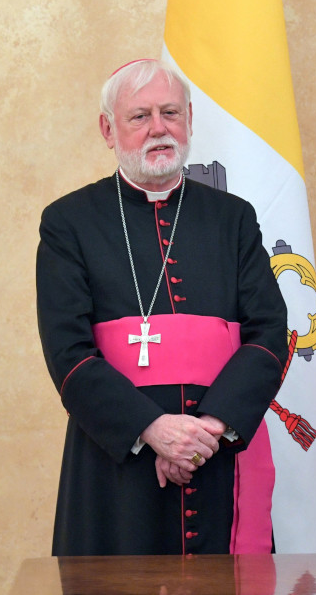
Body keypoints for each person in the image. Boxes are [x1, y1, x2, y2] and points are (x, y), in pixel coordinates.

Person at [37, 59, 289, 555]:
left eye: (170, 113)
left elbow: (269, 333)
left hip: (219, 456)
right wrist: (152, 429)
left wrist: (208, 430)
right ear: (109, 129)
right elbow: (69, 354)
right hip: (117, 465)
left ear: (190, 120)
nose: (159, 128)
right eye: (140, 116)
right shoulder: (69, 222)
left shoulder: (233, 219)